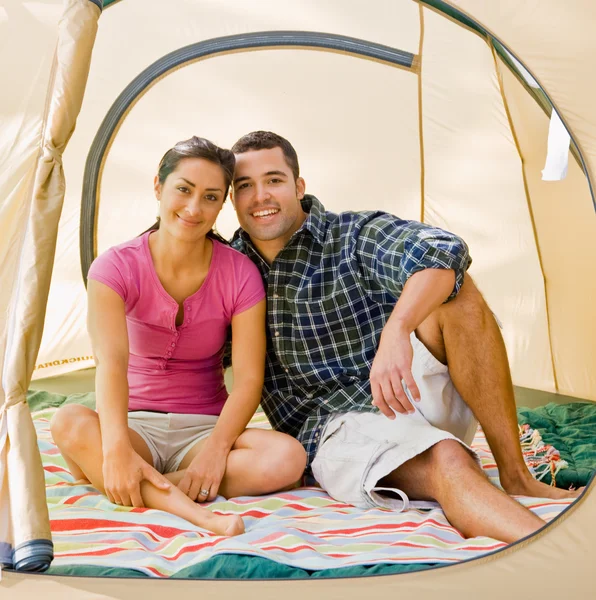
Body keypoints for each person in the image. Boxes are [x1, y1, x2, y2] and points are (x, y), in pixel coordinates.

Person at [227, 130, 580, 544]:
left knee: (457, 293)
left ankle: (516, 474)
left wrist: (396, 330)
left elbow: (442, 249)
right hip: (335, 426)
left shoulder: (352, 233)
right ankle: (559, 556)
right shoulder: (228, 268)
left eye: (273, 180)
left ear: (299, 186)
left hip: (402, 385)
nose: (260, 196)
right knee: (446, 459)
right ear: (232, 198)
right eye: (244, 186)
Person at [51, 136, 306, 537]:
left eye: (210, 197)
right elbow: (112, 364)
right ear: (158, 186)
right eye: (183, 190)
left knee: (286, 457)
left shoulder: (239, 273)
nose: (193, 208)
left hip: (204, 428)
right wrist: (117, 447)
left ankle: (138, 483)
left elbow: (249, 380)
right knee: (68, 421)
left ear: (221, 204)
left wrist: (215, 453)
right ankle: (198, 514)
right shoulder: (114, 267)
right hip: (133, 426)